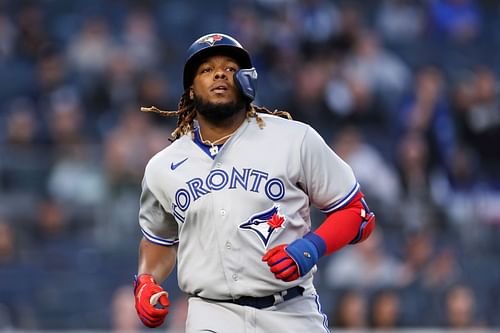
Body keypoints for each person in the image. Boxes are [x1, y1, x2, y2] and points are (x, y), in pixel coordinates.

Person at [133, 32, 376, 332]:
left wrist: (310, 247)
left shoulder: (294, 139)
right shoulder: (163, 167)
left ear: (247, 81)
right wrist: (146, 280)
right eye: (206, 70)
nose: (220, 73)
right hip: (212, 313)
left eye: (230, 68)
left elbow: (358, 214)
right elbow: (159, 240)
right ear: (191, 91)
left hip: (290, 310)